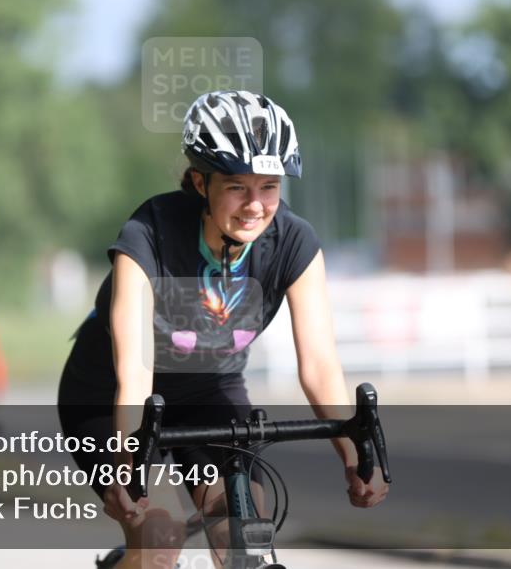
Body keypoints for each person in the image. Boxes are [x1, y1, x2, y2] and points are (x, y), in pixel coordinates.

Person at [58, 90, 389, 568]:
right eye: (236, 186)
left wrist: (355, 457)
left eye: (269, 186)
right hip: (108, 393)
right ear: (200, 182)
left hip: (209, 391)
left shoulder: (294, 242)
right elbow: (135, 372)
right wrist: (129, 469)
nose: (255, 205)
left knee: (244, 530)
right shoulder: (148, 234)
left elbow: (319, 365)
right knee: (159, 538)